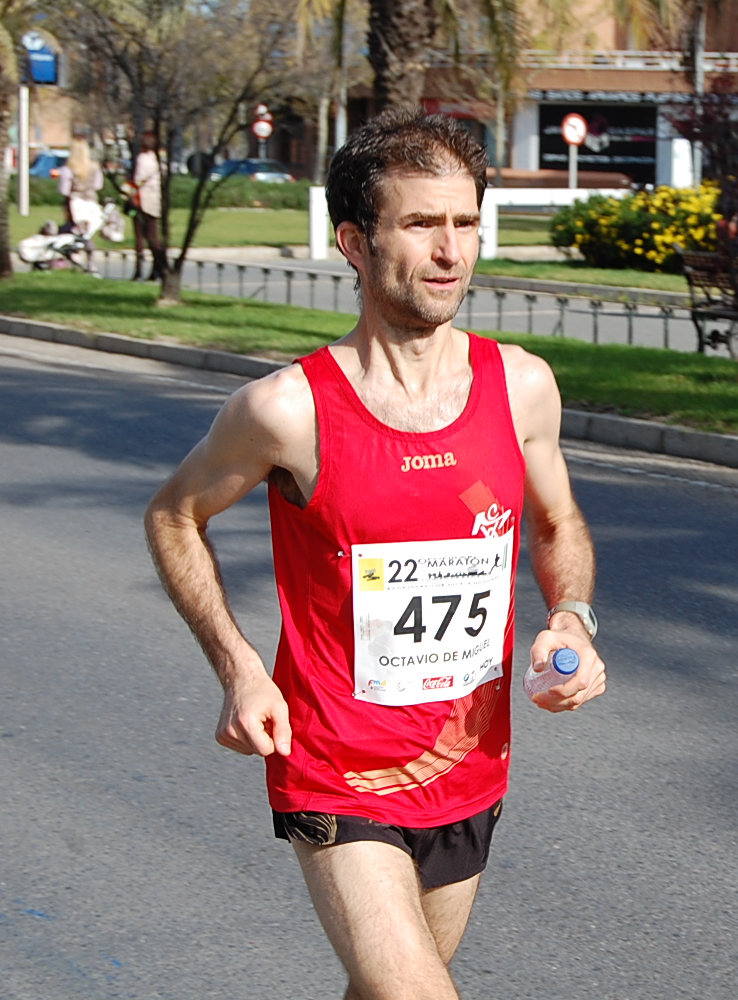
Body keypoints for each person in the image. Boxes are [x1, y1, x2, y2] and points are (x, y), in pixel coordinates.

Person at [144, 110, 607, 1000]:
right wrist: (239, 668)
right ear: (355, 242)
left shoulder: (521, 387)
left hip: (469, 762)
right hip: (333, 767)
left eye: (466, 222)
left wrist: (573, 620)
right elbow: (174, 514)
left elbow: (556, 524)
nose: (450, 251)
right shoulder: (289, 411)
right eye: (420, 224)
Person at [58, 138, 104, 274]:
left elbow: (64, 190)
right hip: (91, 202)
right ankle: (90, 261)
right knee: (86, 232)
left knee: (74, 231)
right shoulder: (94, 167)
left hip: (75, 203)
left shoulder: (69, 169)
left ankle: (73, 256)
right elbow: (98, 185)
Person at [130, 132, 167, 281]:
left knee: (140, 236)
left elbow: (138, 180)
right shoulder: (160, 160)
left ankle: (139, 269)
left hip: (142, 199)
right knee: (154, 235)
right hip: (155, 199)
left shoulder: (143, 159)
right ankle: (158, 267)